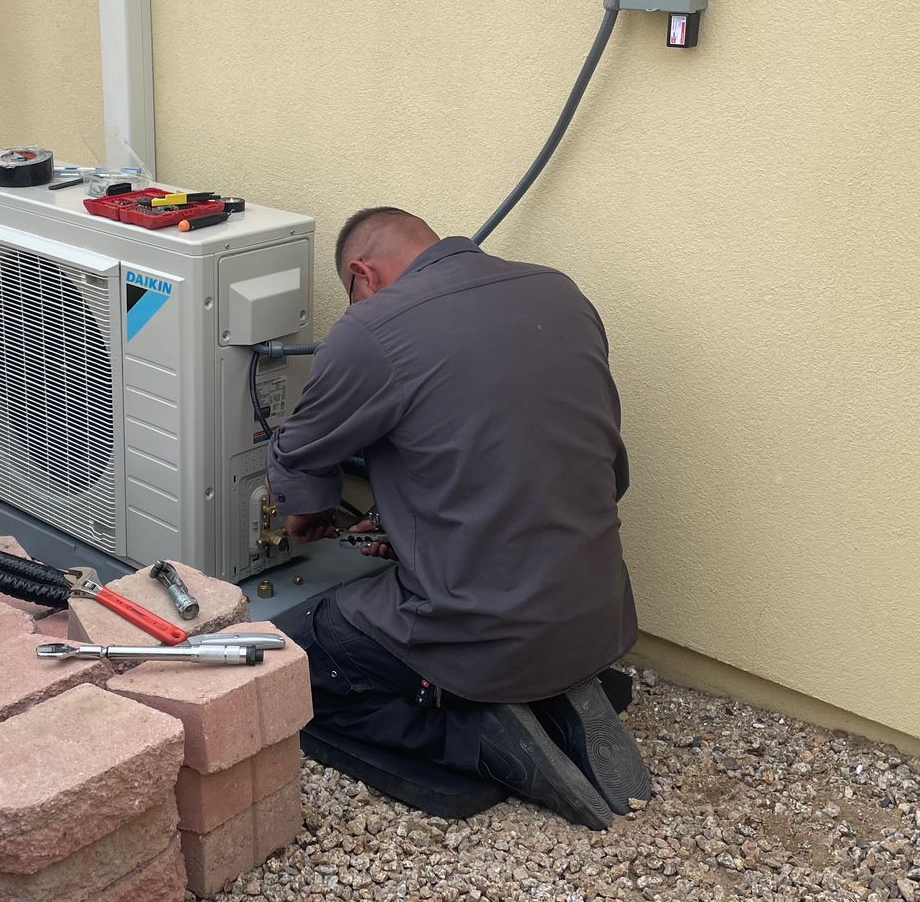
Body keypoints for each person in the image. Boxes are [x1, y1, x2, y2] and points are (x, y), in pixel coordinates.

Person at [271, 207, 650, 828]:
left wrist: (304, 518)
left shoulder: (373, 327)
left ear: (363, 275)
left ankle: (477, 731)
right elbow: (602, 472)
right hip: (598, 614)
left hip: (484, 630)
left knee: (291, 664)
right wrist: (406, 529)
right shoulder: (558, 292)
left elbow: (303, 469)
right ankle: (557, 692)